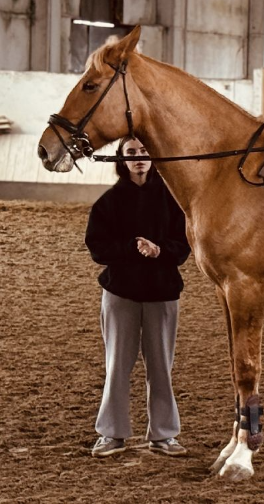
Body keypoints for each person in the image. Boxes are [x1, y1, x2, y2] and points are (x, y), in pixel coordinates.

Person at [85, 136, 192, 458]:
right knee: (117, 364)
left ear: (155, 156)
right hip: (121, 294)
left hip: (162, 293)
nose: (139, 158)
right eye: (132, 153)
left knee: (161, 366)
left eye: (145, 152)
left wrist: (160, 250)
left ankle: (164, 435)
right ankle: (111, 434)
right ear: (122, 159)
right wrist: (134, 248)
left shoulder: (174, 201)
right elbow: (97, 248)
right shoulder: (108, 202)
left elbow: (184, 246)